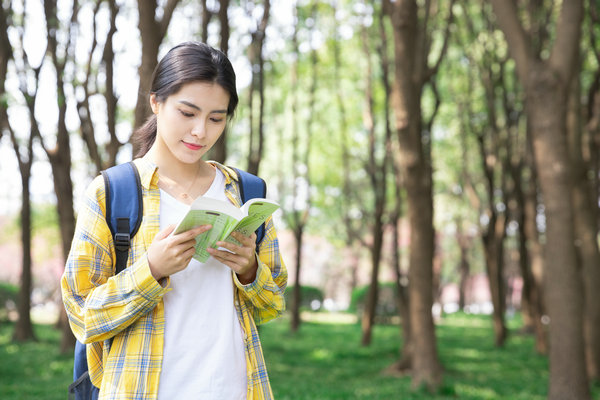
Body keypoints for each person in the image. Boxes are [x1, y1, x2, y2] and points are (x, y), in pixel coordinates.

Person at [61, 41, 287, 400]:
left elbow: (272, 304)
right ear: (156, 102)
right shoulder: (112, 191)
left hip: (233, 388)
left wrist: (249, 270)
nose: (201, 131)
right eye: (187, 113)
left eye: (216, 118)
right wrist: (151, 269)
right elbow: (82, 316)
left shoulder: (243, 192)